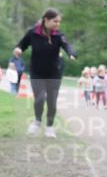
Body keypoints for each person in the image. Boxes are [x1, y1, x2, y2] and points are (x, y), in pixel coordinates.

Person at [14, 8, 77, 138]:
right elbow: (21, 44)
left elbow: (67, 46)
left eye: (59, 22)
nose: (57, 24)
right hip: (37, 72)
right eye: (55, 21)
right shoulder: (32, 33)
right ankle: (37, 121)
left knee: (52, 101)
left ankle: (49, 126)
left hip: (54, 73)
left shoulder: (58, 35)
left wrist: (71, 54)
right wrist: (18, 50)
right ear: (46, 20)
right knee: (40, 98)